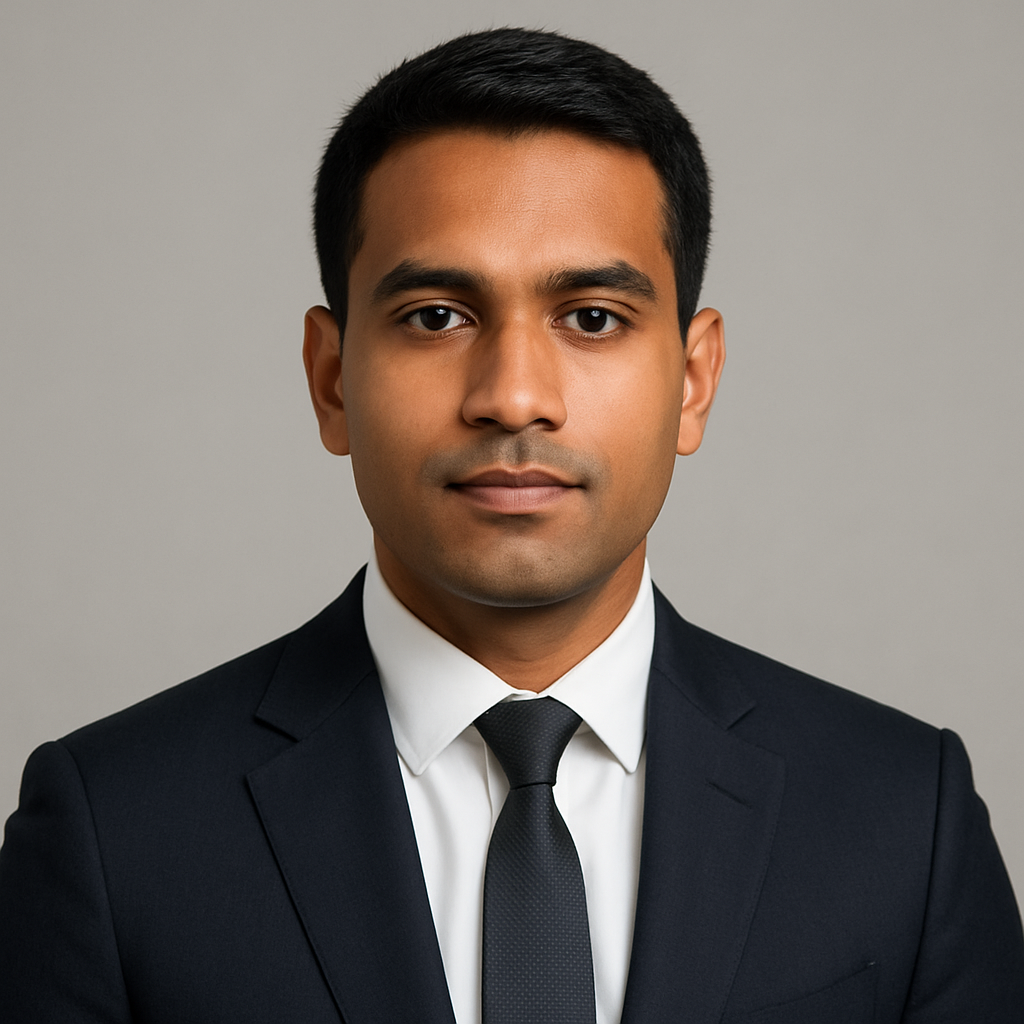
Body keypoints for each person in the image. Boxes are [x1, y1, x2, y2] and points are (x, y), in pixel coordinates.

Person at [0, 26, 1020, 1024]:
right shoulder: (111, 831)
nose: (514, 396)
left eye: (592, 317)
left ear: (694, 381)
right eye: (436, 315)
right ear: (331, 379)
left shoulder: (902, 819)